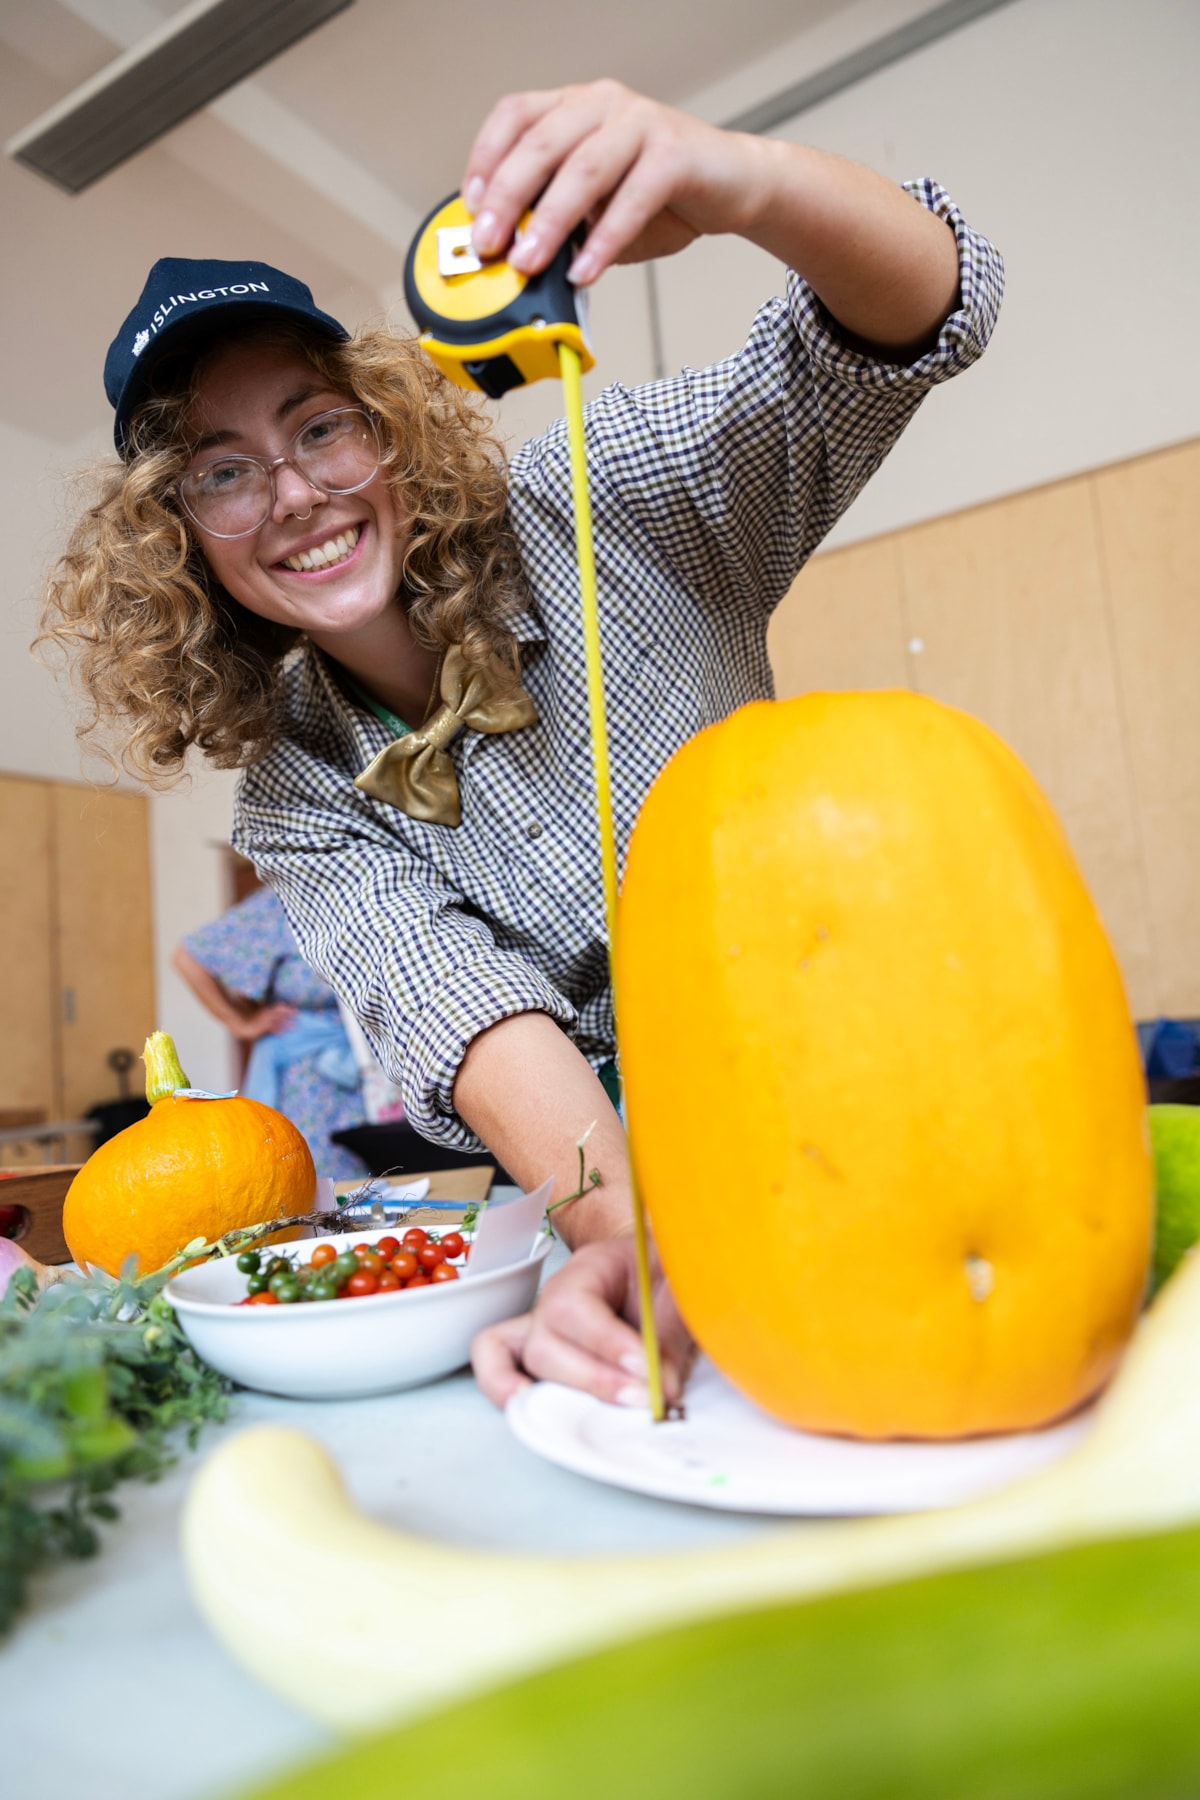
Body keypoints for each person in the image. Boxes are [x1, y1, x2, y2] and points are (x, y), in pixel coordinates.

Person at [42, 80, 1003, 1412]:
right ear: (180, 541)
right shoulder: (297, 801)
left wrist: (736, 178)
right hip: (634, 1182)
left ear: (387, 430)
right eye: (222, 470)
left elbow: (908, 325)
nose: (298, 493)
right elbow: (479, 1025)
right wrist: (629, 1245)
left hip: (906, 1075)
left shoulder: (605, 500)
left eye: (320, 427)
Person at [174, 885, 370, 1180]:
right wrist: (240, 1023)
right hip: (309, 1081)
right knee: (319, 1179)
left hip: (372, 1070)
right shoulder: (281, 904)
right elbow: (187, 958)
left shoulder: (373, 898)